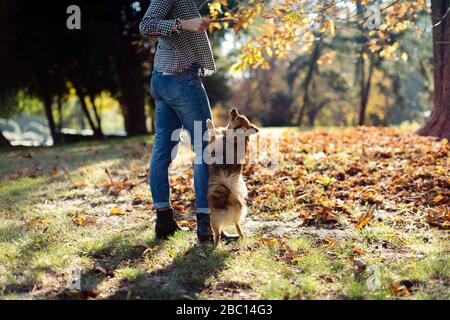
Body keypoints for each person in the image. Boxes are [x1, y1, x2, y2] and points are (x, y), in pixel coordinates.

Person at [139, 0, 238, 243]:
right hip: (181, 79)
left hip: (163, 79)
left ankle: (164, 222)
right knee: (205, 151)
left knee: (162, 152)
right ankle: (207, 226)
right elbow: (146, 25)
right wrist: (184, 24)